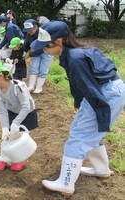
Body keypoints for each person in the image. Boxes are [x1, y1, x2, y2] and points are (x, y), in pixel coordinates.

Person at [31, 20, 125, 197]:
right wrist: (79, 104)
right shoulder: (74, 53)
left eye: (46, 47)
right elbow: (80, 85)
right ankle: (102, 170)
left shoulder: (74, 59)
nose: (44, 50)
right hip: (111, 89)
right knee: (90, 132)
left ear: (59, 41)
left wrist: (101, 113)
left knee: (79, 136)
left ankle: (65, 183)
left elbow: (89, 88)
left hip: (105, 94)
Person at [0, 60, 38, 171]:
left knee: (20, 137)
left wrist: (16, 123)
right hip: (12, 111)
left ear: (0, 76)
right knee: (6, 138)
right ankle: (3, 158)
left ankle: (18, 161)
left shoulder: (19, 87)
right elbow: (2, 111)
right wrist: (5, 128)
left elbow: (25, 107)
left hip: (27, 113)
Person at [23, 19, 54, 93]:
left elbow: (41, 49)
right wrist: (24, 52)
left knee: (43, 70)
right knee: (33, 67)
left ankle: (39, 88)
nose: (29, 32)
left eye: (30, 30)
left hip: (47, 52)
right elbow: (27, 44)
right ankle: (31, 86)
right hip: (36, 52)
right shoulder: (29, 34)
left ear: (36, 26)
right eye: (28, 31)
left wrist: (30, 54)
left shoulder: (42, 33)